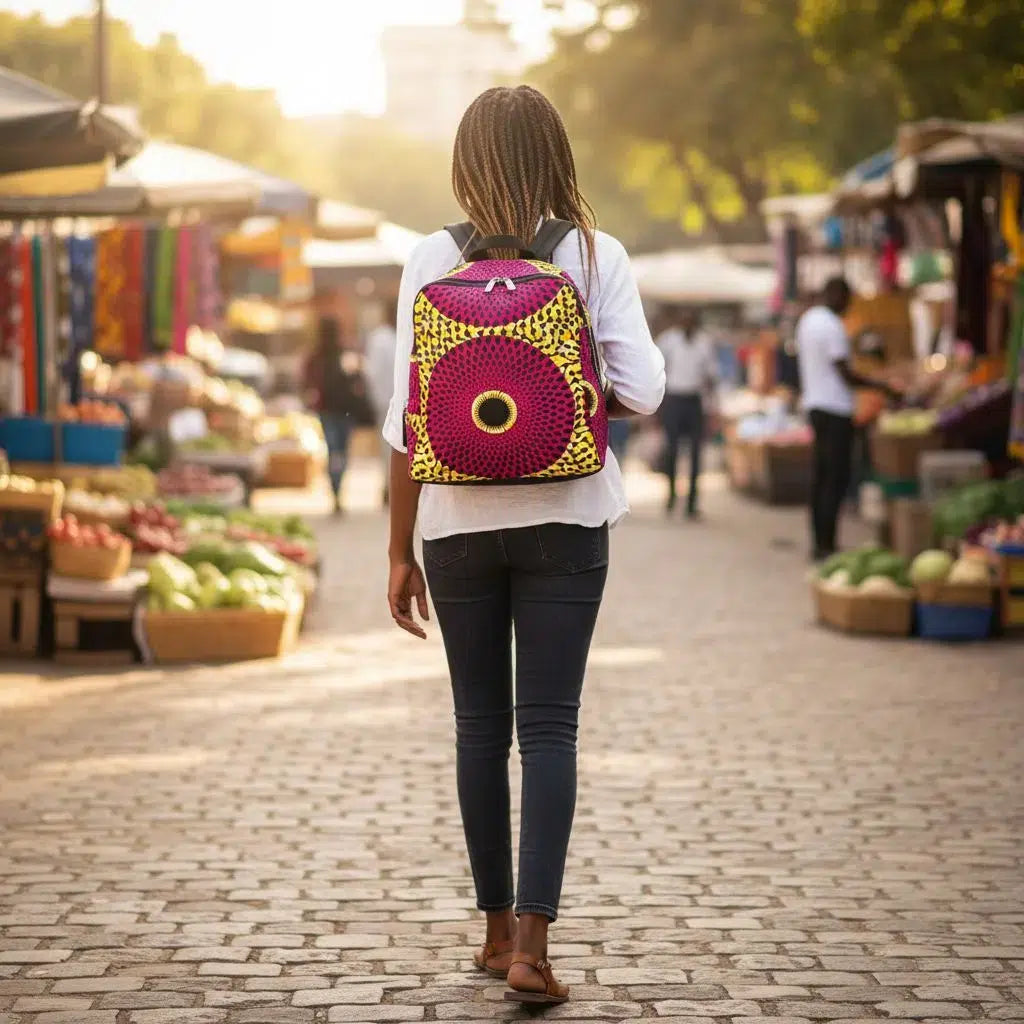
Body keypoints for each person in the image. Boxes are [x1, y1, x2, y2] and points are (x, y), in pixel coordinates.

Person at [382, 85, 665, 1007]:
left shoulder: (429, 255)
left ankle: (492, 927)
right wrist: (569, 408)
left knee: (478, 727)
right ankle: (533, 950)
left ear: (465, 161)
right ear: (555, 156)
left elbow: (405, 419)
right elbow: (649, 390)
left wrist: (398, 550)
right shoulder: (592, 252)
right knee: (550, 727)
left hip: (455, 524)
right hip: (568, 515)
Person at [796, 277, 899, 560]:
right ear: (837, 294)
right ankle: (826, 544)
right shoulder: (831, 325)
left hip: (816, 406)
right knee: (835, 479)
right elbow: (845, 373)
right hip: (834, 409)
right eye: (848, 300)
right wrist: (883, 387)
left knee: (821, 479)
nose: (848, 307)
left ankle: (820, 542)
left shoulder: (808, 320)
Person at [656, 307, 718, 518]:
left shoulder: (704, 343)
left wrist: (711, 408)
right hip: (673, 399)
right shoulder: (668, 341)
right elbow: (658, 373)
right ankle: (671, 497)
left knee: (695, 455)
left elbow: (710, 377)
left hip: (694, 401)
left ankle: (692, 503)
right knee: (671, 451)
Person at [304, 315, 366, 515]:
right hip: (344, 411)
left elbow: (307, 382)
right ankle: (337, 489)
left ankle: (336, 491)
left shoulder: (316, 356)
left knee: (334, 451)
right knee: (341, 451)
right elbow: (357, 378)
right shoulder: (343, 352)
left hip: (328, 411)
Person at [365, 299, 399, 507]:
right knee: (394, 449)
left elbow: (372, 373)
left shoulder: (382, 338)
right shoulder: (385, 338)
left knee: (390, 448)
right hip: (391, 403)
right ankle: (390, 489)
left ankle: (390, 488)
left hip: (388, 402)